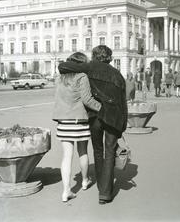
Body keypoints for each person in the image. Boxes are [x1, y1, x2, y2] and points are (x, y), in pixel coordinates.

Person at [58, 45, 127, 204]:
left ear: (94, 56)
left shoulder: (89, 67)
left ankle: (100, 185)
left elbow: (62, 66)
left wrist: (84, 64)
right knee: (110, 152)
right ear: (109, 57)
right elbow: (123, 103)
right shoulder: (118, 75)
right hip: (113, 117)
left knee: (97, 150)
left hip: (95, 116)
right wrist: (122, 125)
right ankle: (105, 193)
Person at [53, 52, 102, 202]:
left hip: (63, 121)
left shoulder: (59, 78)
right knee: (83, 152)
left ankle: (66, 190)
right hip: (79, 121)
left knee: (66, 156)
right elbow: (87, 99)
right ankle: (85, 180)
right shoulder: (82, 77)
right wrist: (102, 108)